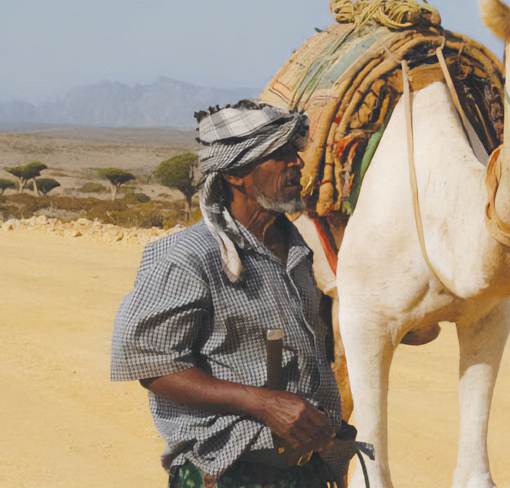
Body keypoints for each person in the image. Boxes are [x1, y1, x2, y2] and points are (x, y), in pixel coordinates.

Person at [111, 100, 352, 487]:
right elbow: (151, 365)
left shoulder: (298, 250)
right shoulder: (189, 256)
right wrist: (262, 403)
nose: (297, 163)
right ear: (237, 173)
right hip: (227, 473)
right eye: (280, 154)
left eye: (295, 152)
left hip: (303, 471)